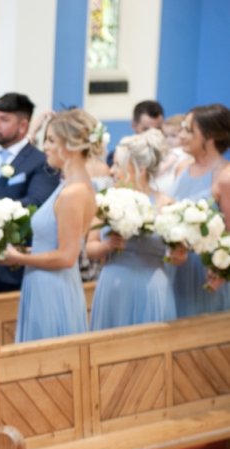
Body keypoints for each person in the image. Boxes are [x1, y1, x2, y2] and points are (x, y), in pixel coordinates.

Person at [0, 109, 99, 342]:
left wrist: (18, 258)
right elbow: (57, 244)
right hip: (45, 281)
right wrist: (26, 252)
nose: (45, 146)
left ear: (72, 145)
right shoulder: (74, 185)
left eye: (52, 140)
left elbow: (67, 256)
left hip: (53, 288)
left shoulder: (72, 193)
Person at [0, 92, 60, 295]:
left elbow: (34, 203)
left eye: (4, 120)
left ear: (23, 126)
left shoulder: (42, 162)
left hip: (14, 267)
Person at [87, 129, 176, 330]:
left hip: (152, 288)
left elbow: (177, 255)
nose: (111, 170)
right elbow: (90, 248)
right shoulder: (105, 201)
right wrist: (108, 245)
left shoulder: (165, 204)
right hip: (113, 287)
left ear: (140, 168)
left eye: (118, 164)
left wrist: (178, 255)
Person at [167, 104, 230, 316]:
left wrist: (222, 271)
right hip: (176, 265)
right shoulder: (182, 167)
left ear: (209, 137)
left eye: (188, 131)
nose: (182, 136)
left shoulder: (225, 177)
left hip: (206, 273)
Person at [106, 100, 164, 166]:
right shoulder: (116, 157)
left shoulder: (173, 155)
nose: (153, 134)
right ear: (134, 126)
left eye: (158, 129)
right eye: (146, 130)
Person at [155, 114, 188, 195]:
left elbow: (161, 169)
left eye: (174, 136)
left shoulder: (176, 152)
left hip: (165, 188)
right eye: (166, 136)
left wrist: (150, 175)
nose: (168, 140)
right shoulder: (182, 152)